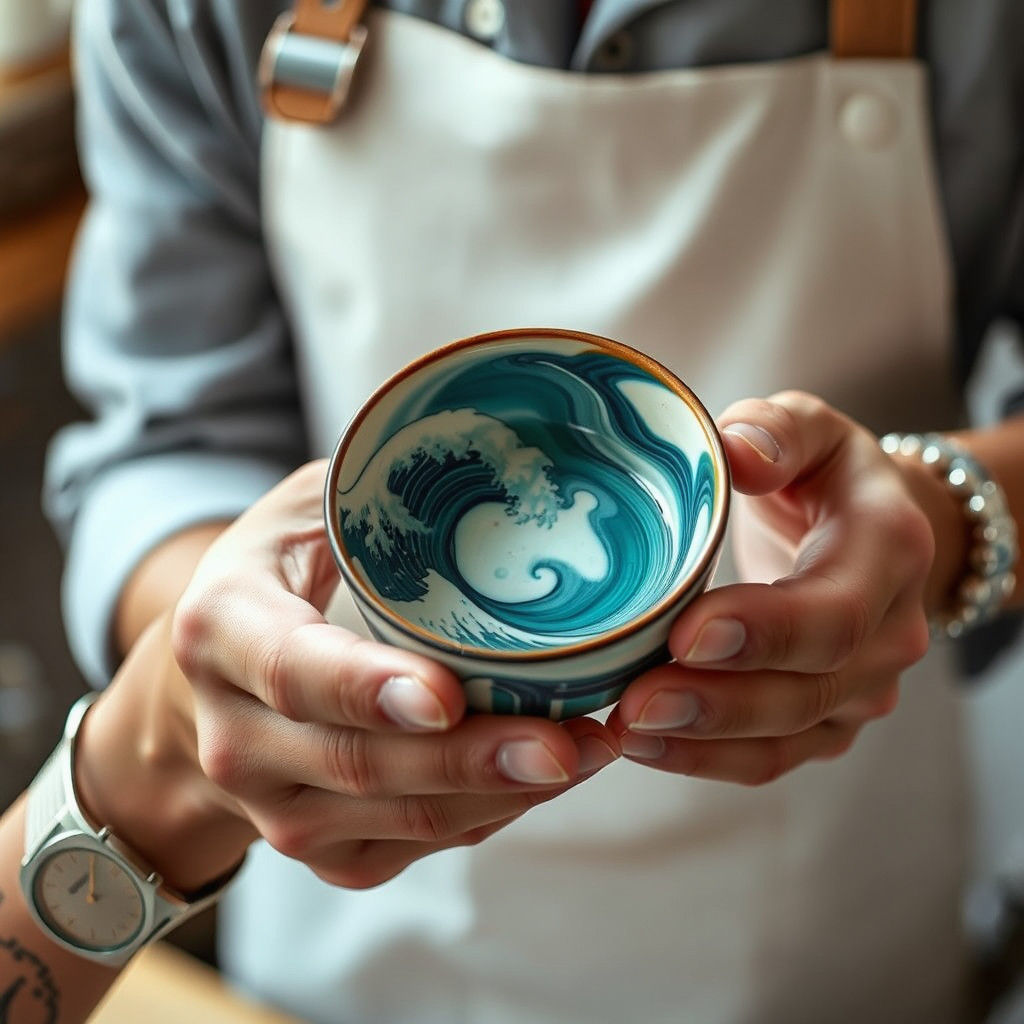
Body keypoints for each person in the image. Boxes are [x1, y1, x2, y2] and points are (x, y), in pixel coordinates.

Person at [6, 0, 1024, 1020]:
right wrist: (232, 679)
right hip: (349, 932)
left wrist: (945, 519)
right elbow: (172, 444)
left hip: (834, 918)